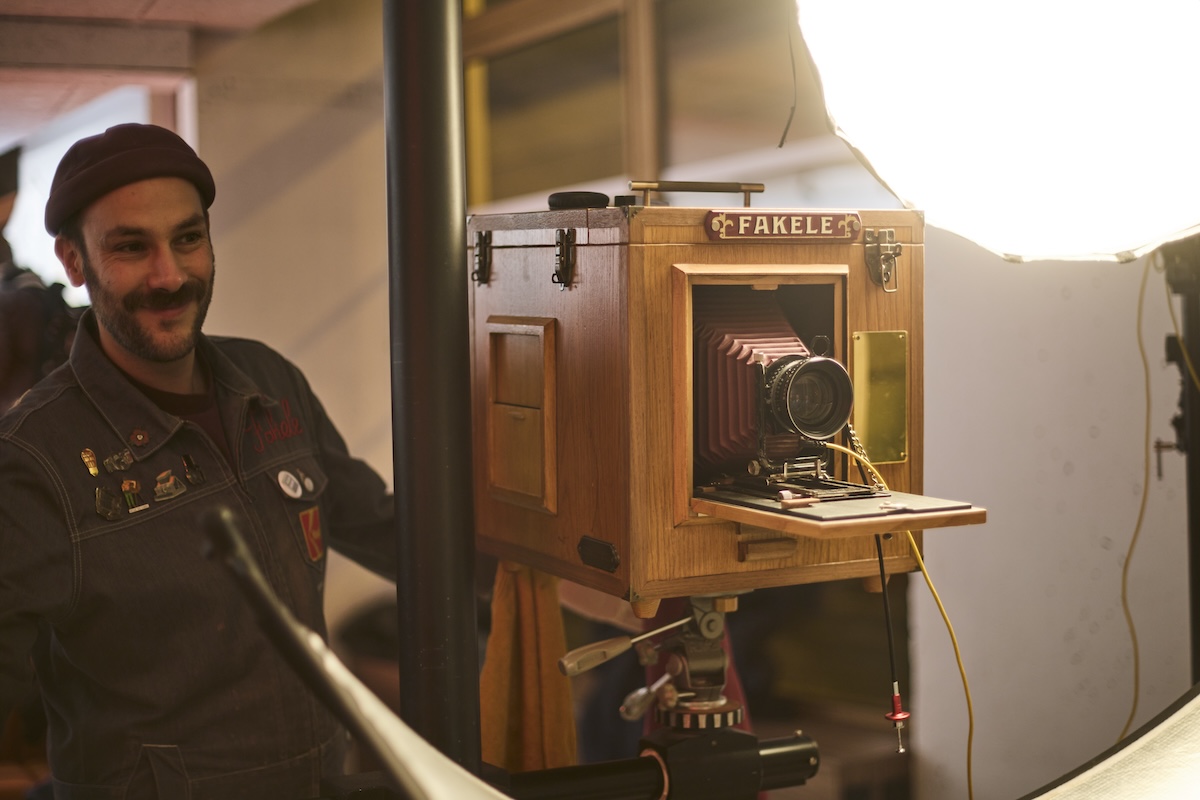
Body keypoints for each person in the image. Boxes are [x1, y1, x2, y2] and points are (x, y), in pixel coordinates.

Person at [0, 123, 396, 799]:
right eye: (131, 248)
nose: (169, 275)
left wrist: (568, 578)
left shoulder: (269, 382)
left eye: (188, 238)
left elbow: (387, 527)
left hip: (318, 781)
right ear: (73, 261)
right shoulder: (35, 461)